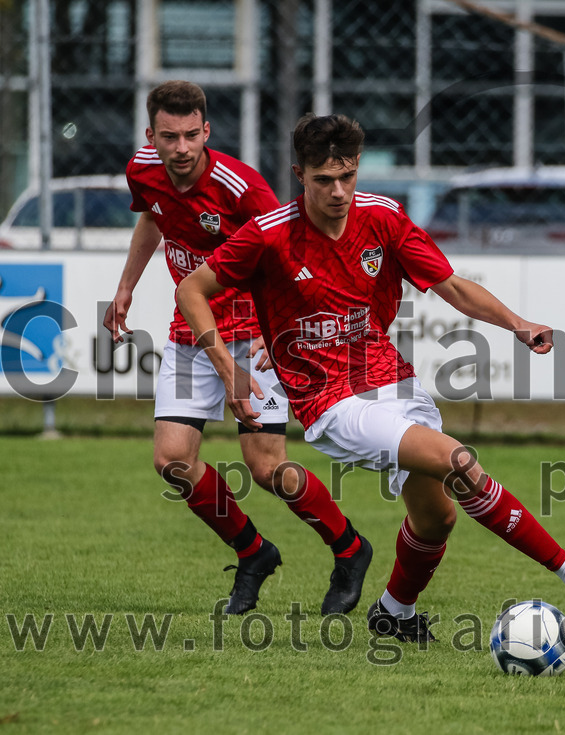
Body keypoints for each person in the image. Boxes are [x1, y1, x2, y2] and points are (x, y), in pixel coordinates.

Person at [175, 112, 565, 643]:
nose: (337, 191)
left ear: (357, 168)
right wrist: (230, 370)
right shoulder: (269, 236)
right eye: (322, 181)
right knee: (458, 460)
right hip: (332, 401)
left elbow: (451, 285)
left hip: (393, 380)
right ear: (299, 175)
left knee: (436, 520)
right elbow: (190, 291)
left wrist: (518, 324)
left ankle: (393, 613)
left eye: (346, 177)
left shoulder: (383, 217)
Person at [104, 81, 371, 617]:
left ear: (207, 132)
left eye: (190, 136)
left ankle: (349, 548)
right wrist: (127, 285)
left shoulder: (241, 187)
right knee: (172, 462)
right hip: (192, 330)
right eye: (168, 136)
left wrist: (284, 328)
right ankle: (254, 553)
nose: (179, 148)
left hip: (254, 334)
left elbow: (292, 247)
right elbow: (153, 218)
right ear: (150, 134)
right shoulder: (142, 168)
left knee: (268, 468)